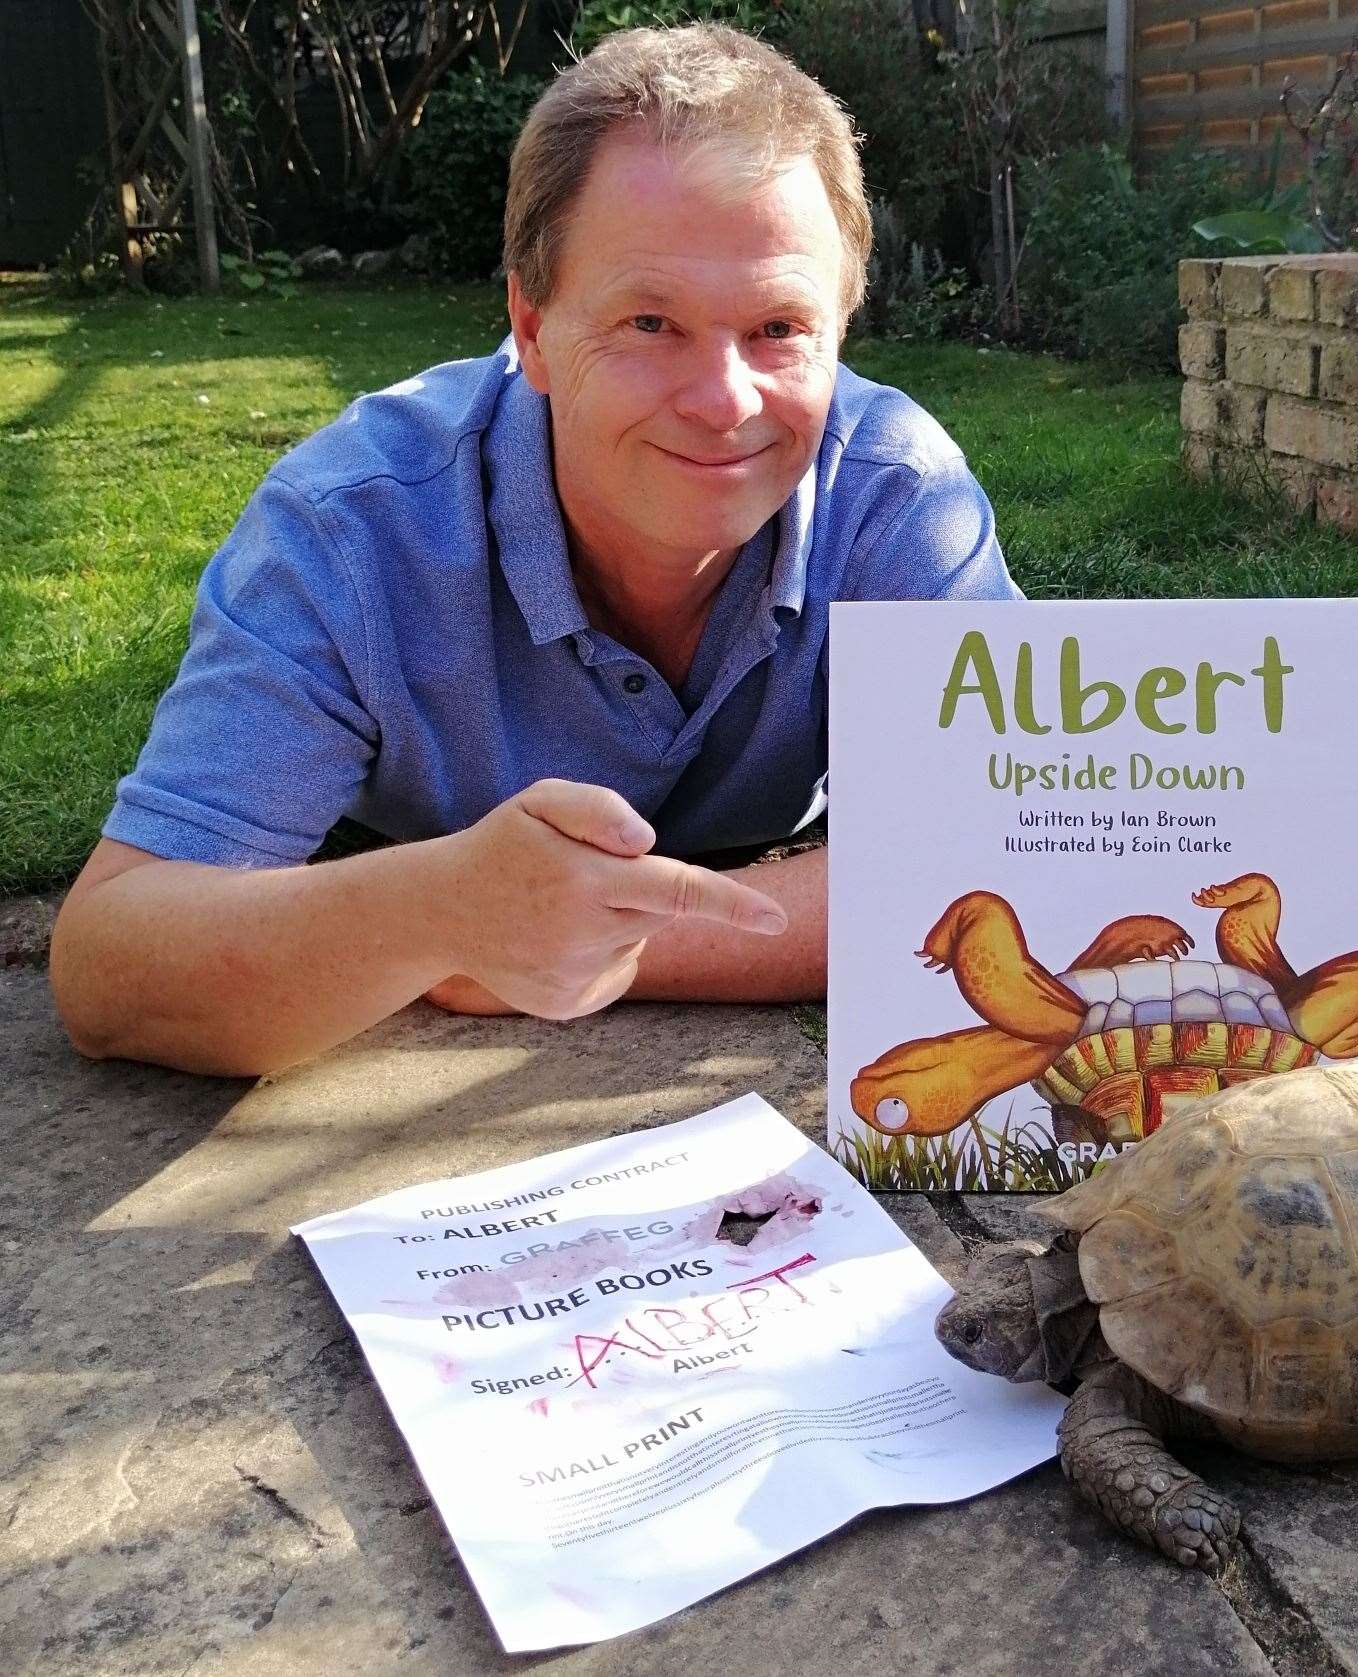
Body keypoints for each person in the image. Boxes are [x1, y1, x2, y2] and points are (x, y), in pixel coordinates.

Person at [48, 24, 1021, 1078]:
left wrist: (569, 940)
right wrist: (437, 906)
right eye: (650, 322)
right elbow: (112, 968)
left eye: (779, 328)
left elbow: (1014, 862)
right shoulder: (353, 526)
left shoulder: (896, 495)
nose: (723, 402)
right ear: (531, 325)